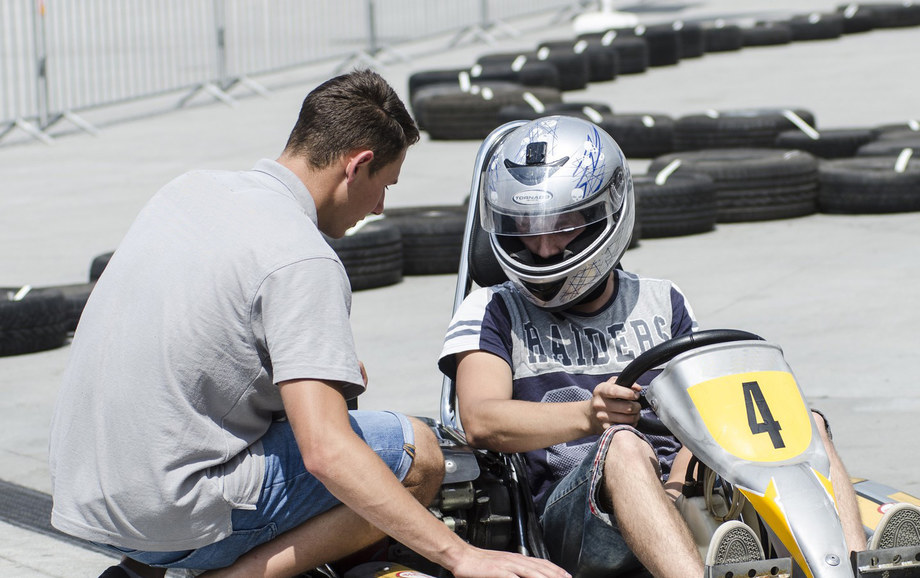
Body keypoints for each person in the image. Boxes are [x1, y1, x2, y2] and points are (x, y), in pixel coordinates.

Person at [48, 70, 569, 578]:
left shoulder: (189, 190)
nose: (381, 206)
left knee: (324, 398)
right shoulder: (303, 258)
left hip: (86, 497)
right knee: (417, 453)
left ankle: (143, 569)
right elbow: (325, 453)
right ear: (357, 165)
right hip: (170, 514)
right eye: (384, 184)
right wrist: (463, 556)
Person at [439, 116, 920, 578]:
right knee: (624, 446)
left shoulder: (662, 300)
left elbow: (701, 415)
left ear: (604, 212)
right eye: (527, 229)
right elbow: (481, 419)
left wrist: (675, 489)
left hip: (676, 492)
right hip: (575, 520)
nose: (543, 249)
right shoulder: (493, 309)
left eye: (562, 225)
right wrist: (591, 418)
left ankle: (849, 563)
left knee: (807, 423)